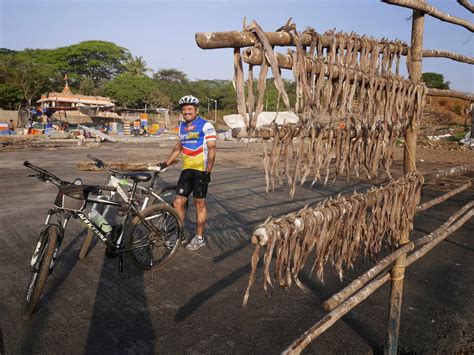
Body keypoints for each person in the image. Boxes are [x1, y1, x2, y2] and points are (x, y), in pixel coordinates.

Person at [158, 95, 217, 251]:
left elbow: (212, 148)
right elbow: (178, 148)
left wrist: (208, 171)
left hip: (200, 171)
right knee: (178, 203)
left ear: (196, 110)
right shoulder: (182, 127)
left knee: (199, 204)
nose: (187, 112)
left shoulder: (206, 125)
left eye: (190, 109)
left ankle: (199, 238)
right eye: (184, 110)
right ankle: (180, 234)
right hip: (186, 171)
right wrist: (166, 163)